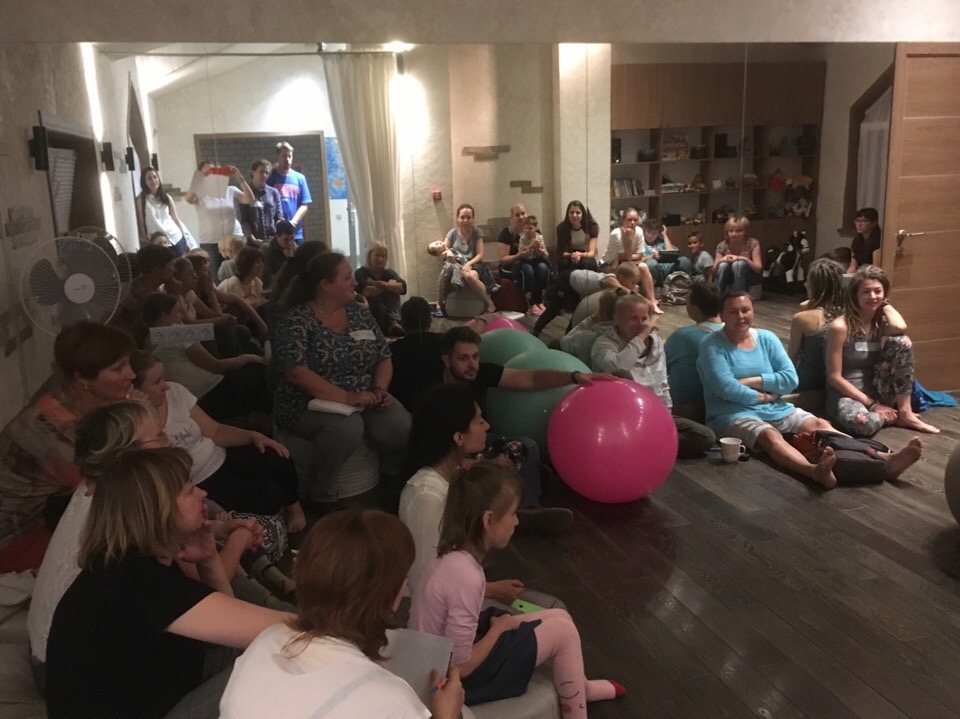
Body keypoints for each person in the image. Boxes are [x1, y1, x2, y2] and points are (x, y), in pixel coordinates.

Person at [45, 448, 292, 719]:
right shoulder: (135, 580)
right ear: (158, 509)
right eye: (189, 490)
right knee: (274, 664)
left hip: (163, 687)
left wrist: (209, 558)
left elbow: (229, 629)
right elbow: (279, 629)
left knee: (275, 648)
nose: (202, 493)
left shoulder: (135, 560)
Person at [410, 461, 623, 714]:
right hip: (453, 682)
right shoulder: (467, 576)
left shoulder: (451, 559)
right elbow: (461, 666)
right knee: (563, 632)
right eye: (512, 514)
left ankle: (580, 688)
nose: (517, 521)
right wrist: (497, 630)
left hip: (442, 658)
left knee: (560, 616)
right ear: (489, 520)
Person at [219, 509, 464, 719]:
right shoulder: (395, 702)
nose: (405, 586)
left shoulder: (264, 641)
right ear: (386, 596)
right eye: (403, 579)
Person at [273, 251, 411, 503]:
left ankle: (390, 476)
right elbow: (296, 372)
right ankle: (321, 495)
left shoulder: (360, 314)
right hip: (307, 403)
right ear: (325, 285)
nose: (355, 282)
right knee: (346, 428)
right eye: (347, 277)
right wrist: (346, 397)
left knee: (399, 423)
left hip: (365, 397)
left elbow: (383, 356)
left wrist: (379, 389)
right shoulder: (296, 319)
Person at [0, 322, 136, 573]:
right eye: (118, 368)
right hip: (13, 537)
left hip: (46, 513)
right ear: (82, 377)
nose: (132, 375)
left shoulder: (80, 402)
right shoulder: (53, 431)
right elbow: (110, 492)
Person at [131, 350, 305, 531]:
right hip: (199, 479)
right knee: (270, 494)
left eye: (163, 378)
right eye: (157, 382)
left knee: (278, 456)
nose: (166, 386)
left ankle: (293, 505)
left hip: (218, 453)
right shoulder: (139, 423)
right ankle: (273, 517)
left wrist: (253, 435)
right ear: (136, 390)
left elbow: (214, 430)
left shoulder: (175, 391)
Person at [401, 384, 534, 606]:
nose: (487, 426)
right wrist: (489, 590)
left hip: (459, 597)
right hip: (436, 613)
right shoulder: (426, 496)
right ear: (459, 437)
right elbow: (424, 582)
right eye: (479, 421)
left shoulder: (454, 474)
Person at [696, 290, 840, 488]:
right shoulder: (711, 345)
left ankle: (872, 454)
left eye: (745, 310)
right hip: (731, 414)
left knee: (819, 423)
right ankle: (813, 471)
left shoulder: (767, 338)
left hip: (777, 407)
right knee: (769, 435)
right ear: (721, 316)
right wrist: (763, 398)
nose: (740, 316)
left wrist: (751, 381)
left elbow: (790, 380)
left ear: (753, 311)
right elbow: (725, 388)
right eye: (733, 312)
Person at [590, 294, 716, 458]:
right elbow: (618, 366)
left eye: (644, 318)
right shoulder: (604, 343)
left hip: (654, 414)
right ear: (617, 318)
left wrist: (666, 414)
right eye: (633, 318)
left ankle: (643, 444)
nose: (641, 324)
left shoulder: (655, 342)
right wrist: (641, 337)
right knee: (622, 375)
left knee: (706, 437)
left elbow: (662, 381)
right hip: (623, 418)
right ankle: (644, 444)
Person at [824, 265, 939, 437]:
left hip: (877, 389)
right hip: (848, 395)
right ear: (855, 295)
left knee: (902, 341)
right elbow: (834, 377)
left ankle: (905, 413)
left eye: (877, 291)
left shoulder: (879, 324)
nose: (872, 296)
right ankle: (890, 417)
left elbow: (900, 327)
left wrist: (884, 303)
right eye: (866, 292)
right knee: (864, 423)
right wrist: (872, 405)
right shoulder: (840, 327)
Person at [140, 293, 272, 422]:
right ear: (163, 316)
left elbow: (205, 331)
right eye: (178, 312)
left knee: (229, 335)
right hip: (210, 394)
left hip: (197, 396)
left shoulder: (148, 341)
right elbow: (216, 366)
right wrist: (247, 358)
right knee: (256, 369)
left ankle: (258, 417)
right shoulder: (175, 332)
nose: (181, 316)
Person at [664, 282, 724, 422]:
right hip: (723, 407)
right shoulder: (732, 334)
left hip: (687, 411)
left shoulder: (684, 336)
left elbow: (659, 366)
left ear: (696, 309)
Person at [787, 258, 846, 392]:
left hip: (808, 384)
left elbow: (791, 359)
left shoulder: (802, 319)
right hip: (839, 383)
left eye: (808, 280)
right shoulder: (848, 315)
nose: (805, 284)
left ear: (816, 286)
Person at [437, 203, 497, 313]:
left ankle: (489, 303)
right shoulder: (452, 233)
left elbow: (480, 254)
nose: (465, 220)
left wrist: (468, 264)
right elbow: (442, 250)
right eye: (462, 217)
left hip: (473, 265)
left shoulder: (477, 232)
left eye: (468, 217)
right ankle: (440, 304)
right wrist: (448, 252)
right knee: (444, 273)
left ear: (473, 219)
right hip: (456, 265)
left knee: (469, 276)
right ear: (457, 219)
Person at [387, 297, 444, 410]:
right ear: (430, 321)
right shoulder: (443, 343)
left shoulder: (392, 350)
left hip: (402, 407)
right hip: (438, 404)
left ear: (402, 322)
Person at [112, 244, 178, 341]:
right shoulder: (126, 294)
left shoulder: (157, 292)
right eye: (171, 264)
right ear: (156, 268)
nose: (174, 270)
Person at [183, 161, 254, 248]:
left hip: (234, 238)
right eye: (209, 172)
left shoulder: (230, 190)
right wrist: (201, 176)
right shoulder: (198, 192)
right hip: (210, 241)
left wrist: (240, 177)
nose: (212, 175)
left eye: (216, 171)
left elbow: (249, 199)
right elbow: (188, 199)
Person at [497, 202, 548, 314]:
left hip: (532, 260)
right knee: (527, 269)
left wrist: (541, 251)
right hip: (513, 264)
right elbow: (503, 260)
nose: (521, 217)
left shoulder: (535, 231)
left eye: (523, 213)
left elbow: (543, 251)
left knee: (543, 267)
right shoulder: (507, 233)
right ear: (512, 217)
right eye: (517, 215)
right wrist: (519, 255)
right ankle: (531, 302)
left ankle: (540, 300)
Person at [561, 288, 628, 366]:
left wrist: (589, 321)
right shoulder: (629, 339)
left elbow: (564, 342)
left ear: (601, 314)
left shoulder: (586, 337)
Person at [355, 241, 408, 337]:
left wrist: (383, 285)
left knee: (392, 292)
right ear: (369, 256)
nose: (380, 259)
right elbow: (365, 291)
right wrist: (388, 286)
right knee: (377, 296)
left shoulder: (389, 272)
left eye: (383, 256)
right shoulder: (360, 272)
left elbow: (403, 288)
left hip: (390, 314)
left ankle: (393, 325)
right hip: (371, 315)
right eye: (377, 255)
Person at [137, 167, 190, 255]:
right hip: (157, 241)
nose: (153, 180)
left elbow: (176, 219)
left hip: (174, 237)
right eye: (149, 178)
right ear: (144, 182)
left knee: (180, 262)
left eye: (155, 177)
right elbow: (141, 222)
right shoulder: (141, 199)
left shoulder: (167, 197)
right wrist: (145, 240)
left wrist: (185, 239)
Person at [267, 141, 312, 243]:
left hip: (295, 233)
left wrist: (293, 223)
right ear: (278, 157)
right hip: (276, 233)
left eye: (290, 156)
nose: (287, 159)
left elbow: (304, 205)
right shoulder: (270, 177)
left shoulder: (300, 178)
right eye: (284, 156)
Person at [239, 159, 284, 247]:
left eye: (267, 173)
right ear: (253, 172)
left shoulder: (274, 192)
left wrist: (279, 234)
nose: (264, 175)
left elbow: (279, 216)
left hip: (272, 240)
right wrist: (253, 239)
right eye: (261, 171)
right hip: (253, 241)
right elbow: (245, 220)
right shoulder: (245, 194)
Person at [713, 216, 763, 293]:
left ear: (745, 231)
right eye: (731, 231)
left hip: (749, 276)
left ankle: (739, 295)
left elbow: (758, 269)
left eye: (739, 231)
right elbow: (714, 271)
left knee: (738, 264)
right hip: (729, 277)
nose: (734, 234)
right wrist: (721, 260)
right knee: (723, 265)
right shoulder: (722, 246)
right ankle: (718, 295)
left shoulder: (753, 243)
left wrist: (743, 259)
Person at [638, 218, 692, 286]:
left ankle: (683, 286)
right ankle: (656, 287)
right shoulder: (640, 243)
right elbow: (637, 259)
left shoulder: (661, 242)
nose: (650, 235)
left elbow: (671, 253)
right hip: (655, 273)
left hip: (669, 271)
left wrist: (664, 234)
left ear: (658, 233)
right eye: (648, 232)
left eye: (654, 233)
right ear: (644, 230)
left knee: (684, 260)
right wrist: (652, 257)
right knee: (652, 263)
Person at [555, 200, 599, 271]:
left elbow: (591, 253)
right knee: (563, 264)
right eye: (571, 212)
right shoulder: (561, 228)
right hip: (569, 255)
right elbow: (560, 252)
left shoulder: (592, 227)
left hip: (586, 255)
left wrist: (581, 255)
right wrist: (572, 255)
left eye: (578, 213)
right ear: (568, 214)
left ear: (583, 214)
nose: (574, 215)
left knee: (586, 264)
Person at [259, 219, 296, 289]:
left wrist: (292, 259)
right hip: (272, 287)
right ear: (277, 236)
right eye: (286, 240)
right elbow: (266, 277)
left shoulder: (294, 247)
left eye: (292, 238)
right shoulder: (266, 249)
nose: (290, 243)